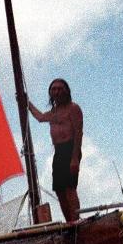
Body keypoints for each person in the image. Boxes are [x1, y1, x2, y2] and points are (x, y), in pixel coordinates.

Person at [26, 78, 83, 223]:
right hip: (58, 151)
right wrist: (26, 102)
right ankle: (69, 221)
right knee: (59, 189)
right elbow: (40, 117)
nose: (56, 91)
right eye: (54, 89)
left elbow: (78, 132)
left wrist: (75, 158)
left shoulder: (73, 108)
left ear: (66, 91)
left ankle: (76, 220)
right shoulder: (53, 112)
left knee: (70, 188)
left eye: (59, 88)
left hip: (70, 148)